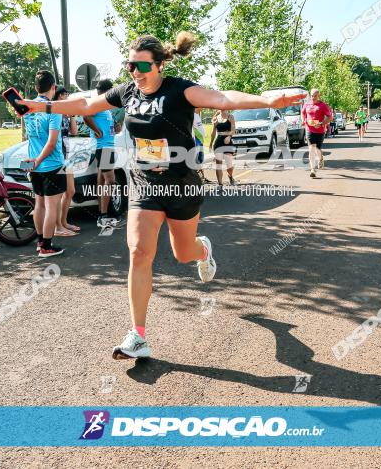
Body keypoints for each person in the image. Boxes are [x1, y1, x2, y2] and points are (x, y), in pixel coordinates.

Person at [17, 31, 303, 359]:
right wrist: (38, 104)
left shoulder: (180, 90)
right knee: (139, 252)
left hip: (182, 184)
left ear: (159, 64)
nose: (135, 72)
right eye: (129, 65)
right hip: (145, 184)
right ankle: (138, 335)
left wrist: (266, 101)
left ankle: (202, 251)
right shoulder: (126, 93)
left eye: (141, 65)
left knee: (183, 253)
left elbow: (223, 98)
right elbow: (83, 104)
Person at [24, 70, 67, 257]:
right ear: (53, 87)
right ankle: (46, 247)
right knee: (51, 207)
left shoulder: (28, 109)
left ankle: (40, 242)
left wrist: (34, 162)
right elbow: (51, 143)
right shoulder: (53, 108)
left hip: (34, 165)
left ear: (36, 88)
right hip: (52, 164)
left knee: (39, 205)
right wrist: (39, 160)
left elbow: (31, 136)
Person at [84, 79, 121, 229]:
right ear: (107, 91)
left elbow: (108, 127)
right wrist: (96, 130)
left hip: (107, 145)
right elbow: (86, 116)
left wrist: (116, 128)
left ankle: (101, 212)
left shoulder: (105, 107)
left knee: (101, 180)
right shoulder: (98, 103)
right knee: (110, 181)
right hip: (104, 147)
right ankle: (103, 216)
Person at [53, 86, 80, 237]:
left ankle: (63, 222)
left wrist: (72, 115)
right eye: (65, 95)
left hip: (66, 155)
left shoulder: (65, 114)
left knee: (70, 191)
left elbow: (74, 132)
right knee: (58, 193)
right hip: (57, 156)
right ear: (59, 96)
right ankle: (58, 227)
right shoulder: (54, 113)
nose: (67, 98)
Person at [301, 89, 332, 178]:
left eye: (315, 96)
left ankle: (321, 158)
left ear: (319, 96)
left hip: (320, 130)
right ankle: (312, 170)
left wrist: (321, 123)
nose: (313, 97)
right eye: (312, 96)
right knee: (311, 149)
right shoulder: (306, 104)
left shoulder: (323, 105)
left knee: (318, 149)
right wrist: (303, 120)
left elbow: (330, 117)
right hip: (309, 129)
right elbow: (303, 113)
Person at [209, 109, 236, 187]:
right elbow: (213, 132)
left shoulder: (230, 117)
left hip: (227, 142)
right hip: (218, 142)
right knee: (218, 164)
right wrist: (211, 143)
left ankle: (230, 176)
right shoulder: (215, 118)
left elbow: (233, 130)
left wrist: (229, 136)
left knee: (229, 165)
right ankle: (220, 184)